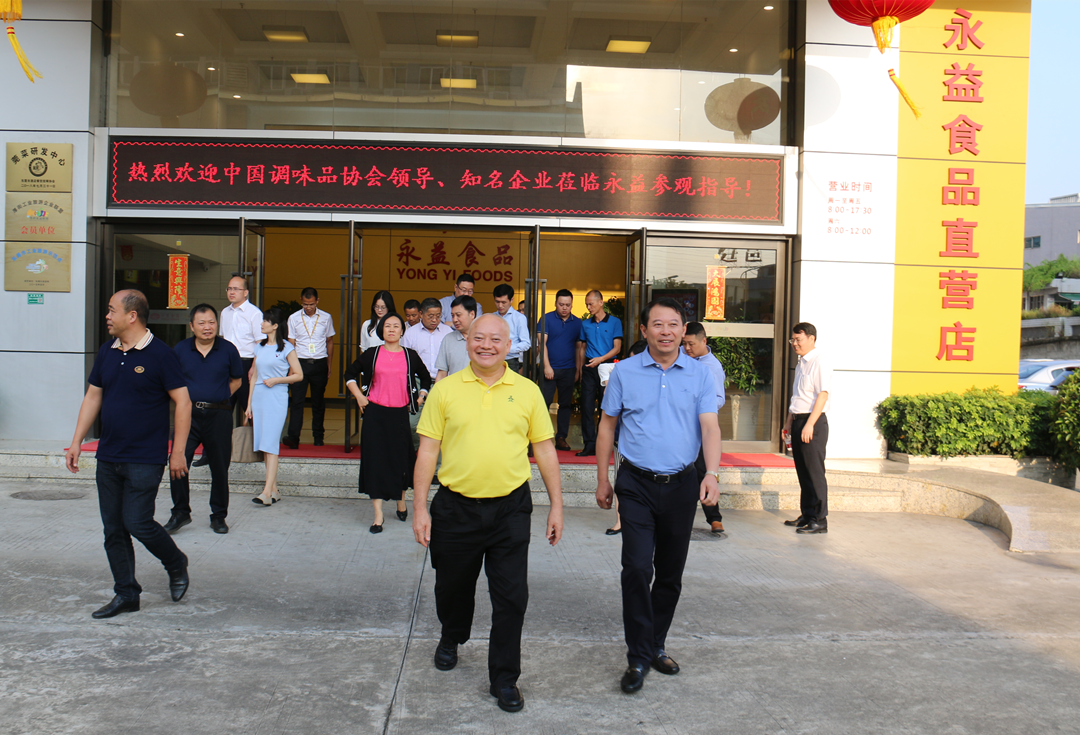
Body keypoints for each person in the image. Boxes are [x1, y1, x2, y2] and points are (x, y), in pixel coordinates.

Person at [413, 314, 564, 714]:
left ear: (509, 345)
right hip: (455, 508)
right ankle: (452, 634)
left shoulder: (528, 391)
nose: (486, 345)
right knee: (452, 588)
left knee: (512, 597)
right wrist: (420, 508)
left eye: (496, 339)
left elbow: (544, 450)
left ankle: (505, 678)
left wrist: (557, 505)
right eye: (479, 338)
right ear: (466, 342)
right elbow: (427, 450)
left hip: (510, 509)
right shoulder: (445, 390)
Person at [595, 298, 722, 694]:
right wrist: (603, 478)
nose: (666, 331)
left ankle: (655, 644)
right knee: (636, 568)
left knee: (669, 573)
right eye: (657, 324)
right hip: (635, 484)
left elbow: (710, 427)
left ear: (684, 330)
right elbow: (607, 427)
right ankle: (637, 656)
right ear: (644, 330)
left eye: (673, 324)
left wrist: (712, 473)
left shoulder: (700, 374)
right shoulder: (625, 372)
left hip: (682, 485)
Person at [64, 289, 192, 619]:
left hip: (145, 456)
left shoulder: (161, 354)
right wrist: (77, 441)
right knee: (113, 529)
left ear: (132, 316)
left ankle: (175, 561)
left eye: (112, 310)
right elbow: (93, 396)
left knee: (137, 521)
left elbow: (183, 401)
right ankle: (126, 593)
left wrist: (178, 451)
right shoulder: (107, 351)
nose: (107, 316)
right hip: (109, 455)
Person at [344, 313, 431, 533]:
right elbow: (349, 374)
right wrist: (359, 396)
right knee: (375, 462)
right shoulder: (372, 354)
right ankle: (378, 515)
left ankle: (401, 501)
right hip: (375, 414)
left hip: (400, 414)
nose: (391, 329)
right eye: (387, 326)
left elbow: (425, 377)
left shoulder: (410, 355)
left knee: (400, 461)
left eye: (396, 326)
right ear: (381, 330)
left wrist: (421, 396)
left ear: (402, 331)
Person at [165, 304, 243, 535]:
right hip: (187, 416)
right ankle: (180, 512)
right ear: (192, 326)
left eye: (211, 322)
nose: (207, 327)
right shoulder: (180, 349)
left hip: (219, 416)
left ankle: (218, 516)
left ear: (217, 324)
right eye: (201, 323)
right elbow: (171, 382)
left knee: (219, 468)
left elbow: (237, 380)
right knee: (178, 463)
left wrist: (218, 397)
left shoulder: (228, 349)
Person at [247, 307, 302, 506]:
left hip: (276, 397)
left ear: (275, 325)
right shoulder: (259, 347)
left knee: (271, 444)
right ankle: (274, 490)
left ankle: (266, 492)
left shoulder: (287, 347)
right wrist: (249, 404)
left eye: (265, 321)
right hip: (259, 397)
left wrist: (277, 380)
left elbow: (299, 375)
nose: (262, 324)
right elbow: (254, 377)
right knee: (265, 445)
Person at [782, 322, 832, 535]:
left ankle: (819, 520)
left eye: (798, 340)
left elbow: (823, 395)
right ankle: (807, 514)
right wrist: (788, 422)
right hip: (798, 421)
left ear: (811, 339)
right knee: (803, 472)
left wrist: (810, 424)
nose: (795, 344)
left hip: (813, 423)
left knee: (814, 472)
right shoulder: (801, 363)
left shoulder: (820, 362)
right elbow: (797, 396)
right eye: (792, 340)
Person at [682, 321, 728, 535]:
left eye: (691, 344)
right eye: (684, 344)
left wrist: (699, 407)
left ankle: (714, 518)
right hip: (681, 426)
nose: (687, 348)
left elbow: (719, 399)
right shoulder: (682, 359)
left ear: (704, 341)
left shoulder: (712, 367)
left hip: (700, 427)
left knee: (702, 471)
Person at [604, 338, 648, 536]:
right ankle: (620, 521)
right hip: (622, 439)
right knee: (621, 479)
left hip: (645, 443)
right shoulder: (622, 378)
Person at [284, 288, 336, 448]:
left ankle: (318, 437)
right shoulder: (294, 318)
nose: (308, 307)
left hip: (319, 362)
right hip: (299, 363)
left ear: (317, 301)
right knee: (297, 402)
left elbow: (329, 341)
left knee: (318, 402)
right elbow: (291, 343)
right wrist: (291, 368)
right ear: (301, 301)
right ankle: (293, 437)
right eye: (305, 304)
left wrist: (329, 364)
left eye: (311, 304)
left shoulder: (326, 317)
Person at [577, 290, 623, 457]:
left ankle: (603, 445)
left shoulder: (615, 322)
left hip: (608, 367)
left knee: (606, 407)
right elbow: (582, 348)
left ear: (601, 302)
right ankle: (589, 445)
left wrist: (601, 359)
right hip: (590, 367)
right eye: (586, 304)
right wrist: (580, 369)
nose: (588, 307)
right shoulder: (585, 324)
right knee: (587, 406)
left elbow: (617, 348)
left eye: (591, 304)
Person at [538, 289, 582, 451]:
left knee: (565, 405)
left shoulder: (577, 323)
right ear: (555, 303)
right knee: (544, 403)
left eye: (568, 305)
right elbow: (542, 344)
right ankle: (541, 437)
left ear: (572, 305)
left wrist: (577, 370)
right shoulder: (546, 319)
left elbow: (578, 348)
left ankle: (561, 438)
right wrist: (547, 366)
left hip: (568, 369)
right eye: (561, 304)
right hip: (550, 368)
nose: (564, 308)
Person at [220, 276, 263, 427]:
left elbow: (260, 343)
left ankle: (258, 440)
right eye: (229, 289)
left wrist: (254, 367)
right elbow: (223, 339)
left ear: (245, 292)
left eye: (236, 289)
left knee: (249, 407)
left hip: (246, 363)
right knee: (223, 406)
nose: (231, 292)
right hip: (226, 364)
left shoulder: (254, 313)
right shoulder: (225, 312)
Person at [434, 295, 477, 382]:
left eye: (458, 315)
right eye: (452, 315)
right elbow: (442, 374)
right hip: (454, 390)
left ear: (472, 314)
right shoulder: (448, 339)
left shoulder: (485, 339)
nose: (454, 320)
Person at [493, 284, 530, 373]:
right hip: (493, 359)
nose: (500, 305)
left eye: (503, 302)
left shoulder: (519, 318)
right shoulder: (491, 317)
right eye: (497, 302)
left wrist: (507, 349)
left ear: (511, 300)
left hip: (510, 361)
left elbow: (526, 343)